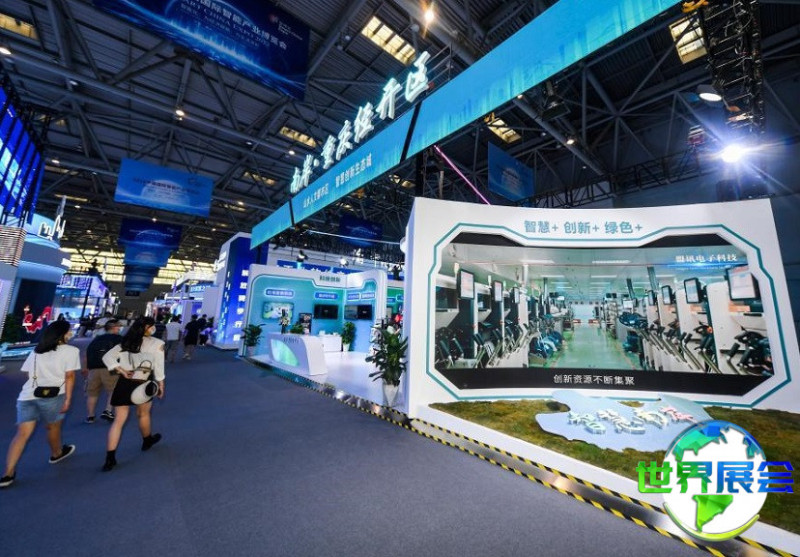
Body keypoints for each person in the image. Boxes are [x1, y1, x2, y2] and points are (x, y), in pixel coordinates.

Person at [1, 321, 79, 488]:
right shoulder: (71, 351)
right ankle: (56, 453)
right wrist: (68, 399)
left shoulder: (37, 351)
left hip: (27, 396)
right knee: (52, 427)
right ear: (63, 334)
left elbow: (28, 374)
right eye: (69, 331)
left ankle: (8, 473)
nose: (70, 333)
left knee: (22, 434)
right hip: (54, 396)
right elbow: (70, 376)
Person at [101, 317, 165, 472]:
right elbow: (159, 367)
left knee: (119, 421)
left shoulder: (125, 342)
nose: (153, 328)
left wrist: (121, 370)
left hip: (124, 383)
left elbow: (107, 357)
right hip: (143, 382)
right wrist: (161, 384)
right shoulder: (157, 343)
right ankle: (147, 440)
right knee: (143, 414)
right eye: (151, 326)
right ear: (147, 328)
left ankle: (110, 458)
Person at [82, 319, 123, 423]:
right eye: (118, 326)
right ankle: (108, 410)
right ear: (114, 327)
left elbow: (86, 353)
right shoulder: (119, 339)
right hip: (111, 367)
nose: (120, 328)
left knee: (92, 393)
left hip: (94, 368)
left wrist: (85, 367)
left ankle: (90, 416)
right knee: (113, 390)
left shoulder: (96, 339)